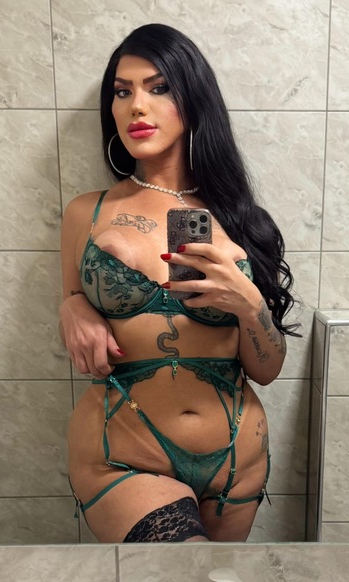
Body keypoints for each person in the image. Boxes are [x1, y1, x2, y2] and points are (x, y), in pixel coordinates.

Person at [59, 23, 298, 544]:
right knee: (184, 575)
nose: (137, 106)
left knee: (215, 581)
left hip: (236, 461)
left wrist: (248, 303)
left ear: (193, 99)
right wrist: (71, 305)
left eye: (159, 87)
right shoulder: (87, 213)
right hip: (123, 454)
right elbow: (73, 299)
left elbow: (267, 370)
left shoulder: (242, 220)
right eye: (122, 91)